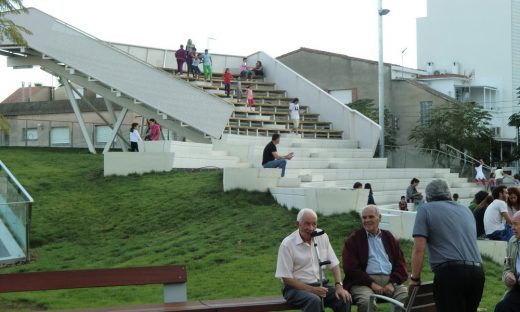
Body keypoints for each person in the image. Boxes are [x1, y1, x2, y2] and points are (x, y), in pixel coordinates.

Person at [410, 179, 485, 312]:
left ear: (427, 197)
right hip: (477, 273)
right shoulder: (465, 210)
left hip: (451, 274)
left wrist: (415, 279)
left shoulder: (425, 209)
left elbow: (418, 248)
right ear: (449, 194)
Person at [276, 208, 352, 312]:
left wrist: (339, 286)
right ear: (298, 224)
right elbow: (286, 278)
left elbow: (334, 263)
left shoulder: (322, 236)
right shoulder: (287, 244)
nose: (311, 228)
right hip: (295, 288)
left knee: (344, 298)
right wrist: (312, 290)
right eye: (307, 224)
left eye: (314, 224)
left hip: (320, 285)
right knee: (314, 300)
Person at [342, 205, 408, 312]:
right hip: (363, 283)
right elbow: (350, 269)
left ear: (380, 218)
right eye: (364, 218)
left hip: (390, 281)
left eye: (371, 217)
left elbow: (401, 264)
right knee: (367, 302)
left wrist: (392, 283)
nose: (367, 220)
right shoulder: (353, 240)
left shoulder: (389, 237)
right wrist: (372, 284)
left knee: (407, 299)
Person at [494, 211, 520, 312]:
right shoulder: (512, 241)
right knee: (501, 308)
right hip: (517, 288)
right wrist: (508, 275)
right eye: (511, 224)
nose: (512, 227)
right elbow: (507, 266)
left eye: (516, 224)